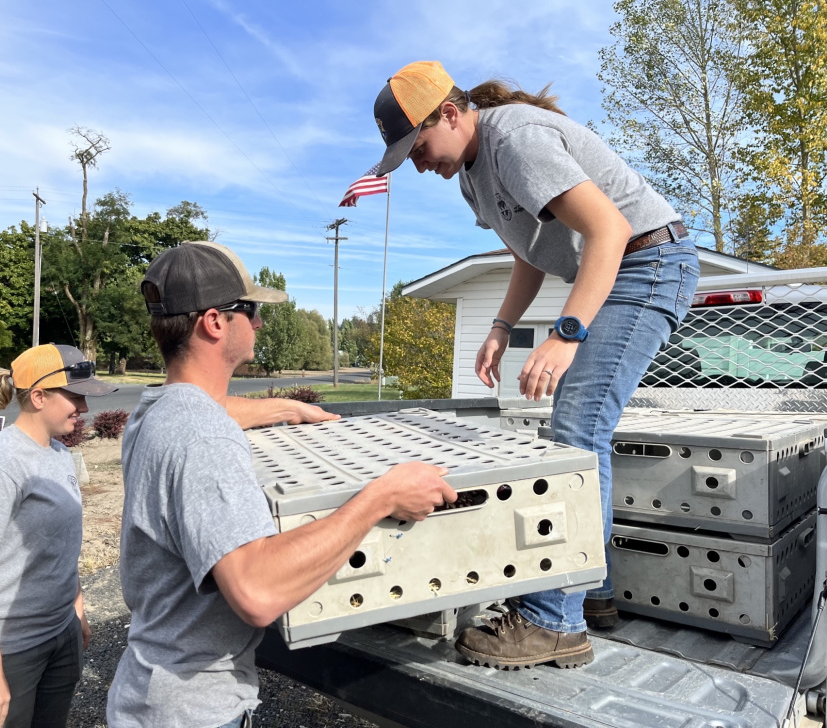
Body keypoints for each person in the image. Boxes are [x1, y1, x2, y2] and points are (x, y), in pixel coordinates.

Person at [372, 61, 700, 669]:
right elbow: (529, 253)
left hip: (649, 263)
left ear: (449, 113)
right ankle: (590, 591)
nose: (417, 165)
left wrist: (566, 333)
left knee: (575, 433)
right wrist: (501, 327)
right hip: (620, 267)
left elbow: (610, 229)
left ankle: (554, 621)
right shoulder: (472, 174)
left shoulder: (514, 138)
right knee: (578, 435)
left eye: (416, 148)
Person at [106, 241, 455, 728]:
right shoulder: (202, 437)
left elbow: (209, 411)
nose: (261, 323)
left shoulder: (158, 411)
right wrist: (381, 497)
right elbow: (256, 592)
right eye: (250, 311)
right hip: (194, 713)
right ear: (214, 322)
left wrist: (288, 410)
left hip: (152, 694)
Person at [0, 344, 117, 728]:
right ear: (38, 396)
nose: (84, 408)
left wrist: (77, 611)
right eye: (75, 396)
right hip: (5, 649)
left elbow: (58, 545)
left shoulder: (57, 453)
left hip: (58, 633)